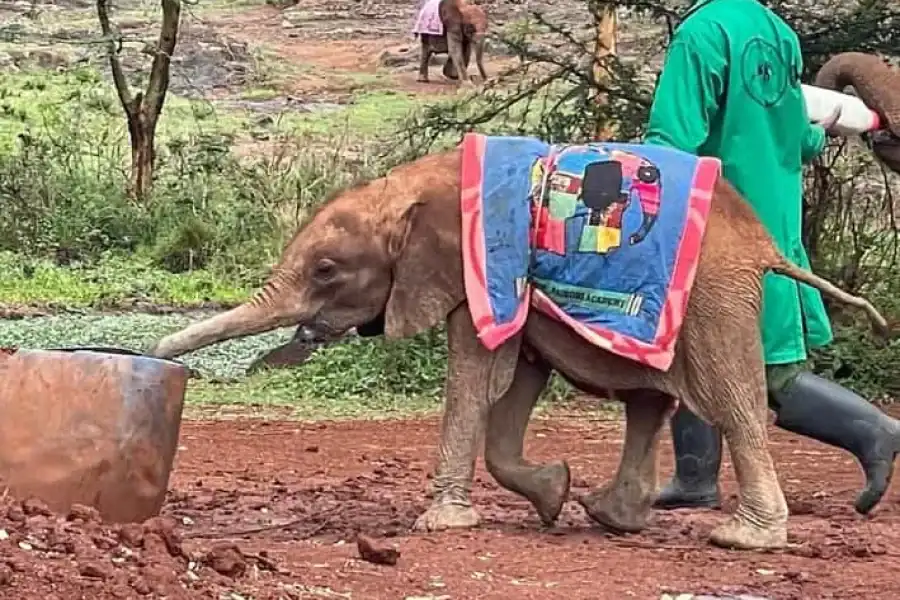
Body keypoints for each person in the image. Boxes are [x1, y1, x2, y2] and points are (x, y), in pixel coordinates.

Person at [642, 0, 900, 515]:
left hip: (718, 219)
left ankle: (878, 433)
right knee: (690, 350)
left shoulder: (702, 32)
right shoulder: (777, 32)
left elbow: (671, 140)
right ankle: (694, 476)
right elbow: (800, 138)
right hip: (773, 214)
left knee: (770, 371)